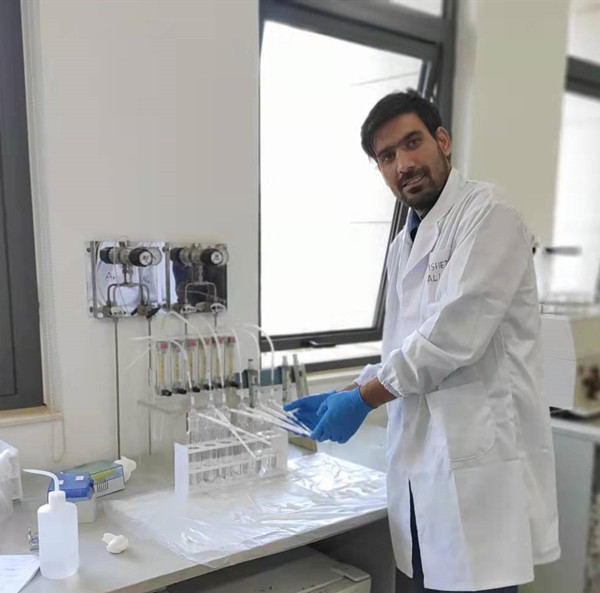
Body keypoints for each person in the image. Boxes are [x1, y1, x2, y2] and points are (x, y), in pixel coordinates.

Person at [285, 91, 560, 593]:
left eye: (412, 143)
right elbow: (403, 346)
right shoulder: (402, 245)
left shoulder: (490, 213)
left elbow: (450, 338)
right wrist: (348, 390)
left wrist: (362, 399)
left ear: (443, 141)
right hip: (420, 474)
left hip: (480, 475)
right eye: (386, 156)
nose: (403, 165)